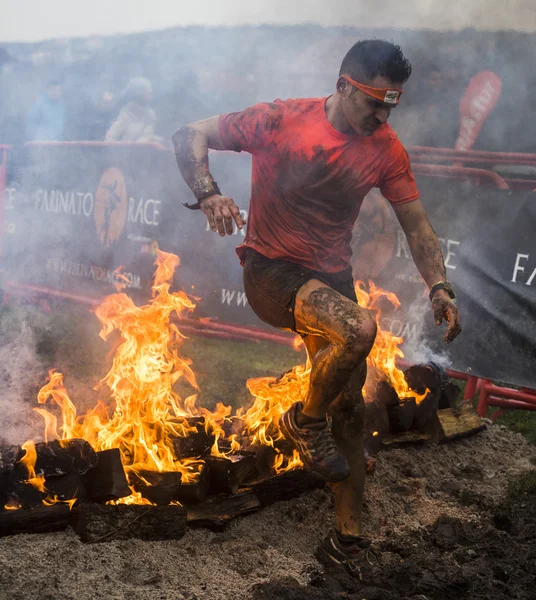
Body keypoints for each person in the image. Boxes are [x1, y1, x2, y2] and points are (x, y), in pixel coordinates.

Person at [172, 40, 461, 575]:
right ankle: (301, 423)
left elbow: (417, 226)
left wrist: (440, 286)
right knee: (358, 330)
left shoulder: (386, 148)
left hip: (329, 281)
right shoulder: (280, 119)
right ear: (344, 85)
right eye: (375, 102)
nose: (383, 115)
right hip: (270, 272)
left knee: (350, 408)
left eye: (392, 105)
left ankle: (345, 542)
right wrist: (209, 192)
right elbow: (189, 132)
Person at [105, 77, 162, 143]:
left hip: (143, 152)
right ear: (139, 94)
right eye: (149, 93)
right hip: (125, 152)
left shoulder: (150, 114)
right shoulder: (126, 113)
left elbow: (146, 137)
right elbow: (110, 137)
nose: (151, 97)